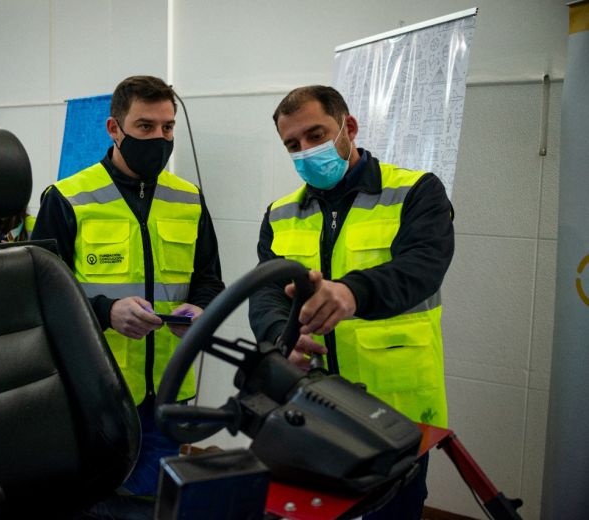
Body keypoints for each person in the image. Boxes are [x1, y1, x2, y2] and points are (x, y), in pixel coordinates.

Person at [248, 85, 454, 519]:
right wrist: (279, 337)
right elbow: (264, 292)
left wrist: (350, 292)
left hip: (397, 409)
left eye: (315, 134)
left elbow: (422, 267)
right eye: (293, 144)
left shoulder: (416, 191)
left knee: (392, 513)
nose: (306, 151)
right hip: (313, 408)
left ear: (349, 127)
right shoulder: (280, 213)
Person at [32, 75, 225, 497]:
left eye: (167, 127)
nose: (159, 137)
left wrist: (200, 310)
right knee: (93, 500)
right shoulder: (68, 198)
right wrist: (106, 311)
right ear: (114, 129)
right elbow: (36, 297)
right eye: (145, 127)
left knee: (154, 501)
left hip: (169, 391)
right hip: (95, 388)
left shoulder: (189, 198)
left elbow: (208, 279)